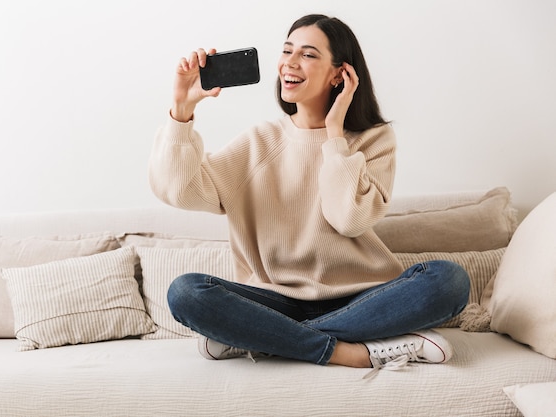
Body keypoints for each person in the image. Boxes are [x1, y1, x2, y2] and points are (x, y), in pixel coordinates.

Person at [148, 14, 470, 374]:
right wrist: (182, 109)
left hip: (362, 298)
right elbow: (178, 191)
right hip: (273, 300)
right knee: (187, 292)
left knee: (449, 281)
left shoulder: (374, 141)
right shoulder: (257, 143)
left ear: (340, 74)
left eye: (308, 54)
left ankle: (263, 340)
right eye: (287, 51)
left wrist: (334, 136)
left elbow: (348, 219)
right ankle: (348, 352)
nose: (290, 62)